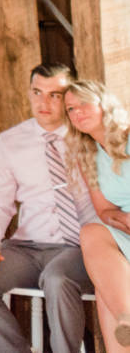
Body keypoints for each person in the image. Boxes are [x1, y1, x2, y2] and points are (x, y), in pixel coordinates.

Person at [0, 63, 95, 353]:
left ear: (69, 97)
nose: (43, 103)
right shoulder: (10, 142)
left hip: (78, 248)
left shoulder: (86, 138)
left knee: (57, 279)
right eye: (37, 92)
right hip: (27, 248)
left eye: (54, 95)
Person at [65, 79, 130, 353]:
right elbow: (104, 210)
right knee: (91, 232)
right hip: (125, 229)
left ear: (104, 104)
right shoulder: (87, 154)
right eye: (70, 109)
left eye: (84, 103)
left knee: (106, 290)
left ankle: (127, 318)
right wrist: (125, 221)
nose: (77, 112)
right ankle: (127, 318)